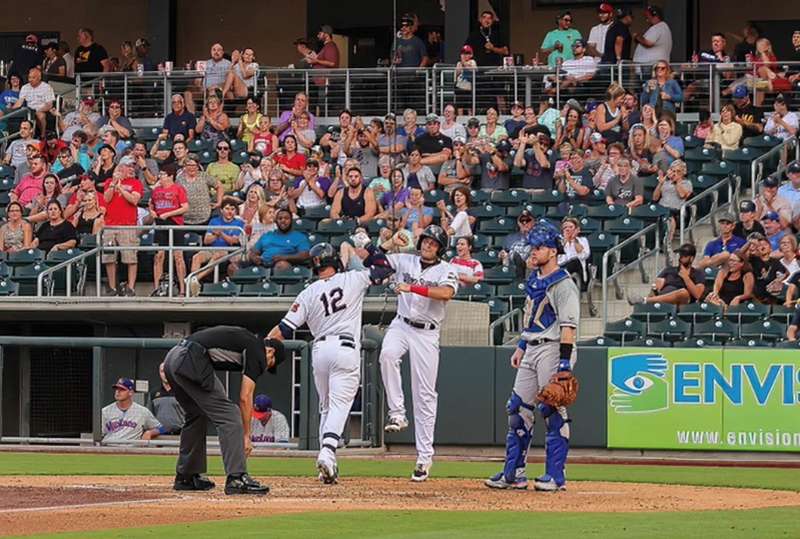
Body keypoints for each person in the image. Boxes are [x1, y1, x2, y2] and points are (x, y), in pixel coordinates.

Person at [267, 243, 394, 482]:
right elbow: (384, 269)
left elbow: (283, 329)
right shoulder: (352, 279)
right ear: (335, 261)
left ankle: (327, 463)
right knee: (339, 405)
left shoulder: (308, 292)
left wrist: (264, 344)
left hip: (320, 350)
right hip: (345, 348)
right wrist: (370, 246)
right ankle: (327, 452)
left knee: (326, 406)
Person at [485, 220, 578, 491]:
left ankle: (556, 476)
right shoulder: (535, 280)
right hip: (532, 346)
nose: (533, 252)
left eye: (539, 247)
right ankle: (514, 473)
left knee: (550, 407)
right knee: (517, 408)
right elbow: (531, 318)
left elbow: (568, 327)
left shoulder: (564, 284)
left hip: (553, 346)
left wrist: (564, 363)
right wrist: (522, 346)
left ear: (553, 250)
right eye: (533, 247)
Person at [366, 225, 457, 482]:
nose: (428, 245)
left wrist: (411, 288)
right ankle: (397, 413)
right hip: (401, 323)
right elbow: (372, 261)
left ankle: (424, 457)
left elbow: (446, 293)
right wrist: (387, 243)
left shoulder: (446, 269)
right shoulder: (405, 259)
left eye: (433, 243)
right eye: (426, 241)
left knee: (425, 395)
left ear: (440, 247)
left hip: (427, 332)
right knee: (387, 355)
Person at [161, 326, 280, 494]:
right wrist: (246, 435)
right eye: (271, 364)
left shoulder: (246, 339)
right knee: (230, 415)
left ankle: (186, 476)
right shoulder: (258, 350)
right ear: (271, 352)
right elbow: (245, 397)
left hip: (173, 356)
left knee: (196, 413)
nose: (266, 367)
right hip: (190, 359)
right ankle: (237, 478)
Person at [102, 157, 144, 296]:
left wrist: (121, 189)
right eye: (129, 166)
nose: (132, 169)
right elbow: (106, 199)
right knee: (109, 258)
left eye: (133, 167)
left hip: (128, 225)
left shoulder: (136, 183)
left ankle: (131, 287)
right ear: (121, 168)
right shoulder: (109, 182)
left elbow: (134, 200)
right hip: (110, 225)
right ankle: (112, 288)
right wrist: (114, 184)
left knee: (130, 258)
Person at [188, 198, 245, 294]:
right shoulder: (214, 221)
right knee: (196, 257)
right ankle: (194, 283)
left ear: (235, 211)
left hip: (228, 251)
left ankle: (195, 278)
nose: (229, 211)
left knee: (218, 255)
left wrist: (221, 234)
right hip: (212, 248)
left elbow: (233, 241)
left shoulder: (239, 223)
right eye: (227, 209)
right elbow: (206, 240)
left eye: (232, 209)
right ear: (221, 210)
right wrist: (216, 235)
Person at [149, 164, 189, 296]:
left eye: (163, 174)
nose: (160, 177)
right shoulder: (156, 190)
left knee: (178, 256)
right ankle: (157, 288)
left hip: (175, 224)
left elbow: (184, 207)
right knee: (159, 256)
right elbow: (151, 204)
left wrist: (169, 214)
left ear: (170, 176)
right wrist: (152, 212)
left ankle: (183, 289)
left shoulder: (178, 189)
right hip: (160, 223)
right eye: (160, 174)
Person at [628, 243, 705, 306]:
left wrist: (686, 277)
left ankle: (645, 300)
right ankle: (648, 301)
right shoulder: (669, 270)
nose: (681, 258)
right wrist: (655, 289)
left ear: (691, 258)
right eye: (680, 255)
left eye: (684, 256)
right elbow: (656, 288)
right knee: (655, 290)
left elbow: (697, 294)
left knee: (683, 292)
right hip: (663, 297)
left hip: (683, 302)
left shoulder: (698, 273)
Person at [244, 208, 310, 271]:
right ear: (276, 221)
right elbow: (253, 252)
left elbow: (304, 255)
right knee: (234, 263)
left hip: (285, 265)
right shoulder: (267, 235)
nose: (283, 220)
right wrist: (254, 258)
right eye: (280, 218)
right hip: (262, 265)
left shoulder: (299, 236)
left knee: (281, 265)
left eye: (286, 218)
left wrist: (284, 257)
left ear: (291, 220)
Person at [102, 378, 163, 444]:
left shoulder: (142, 411)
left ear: (131, 392)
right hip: (109, 448)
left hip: (131, 450)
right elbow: (99, 434)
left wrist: (150, 432)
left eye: (122, 389)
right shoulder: (105, 411)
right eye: (116, 389)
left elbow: (161, 429)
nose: (118, 392)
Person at [5, 67, 55, 139]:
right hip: (28, 110)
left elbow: (49, 105)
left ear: (39, 78)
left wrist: (39, 110)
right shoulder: (25, 87)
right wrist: (11, 110)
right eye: (29, 77)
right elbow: (19, 102)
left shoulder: (46, 87)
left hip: (42, 109)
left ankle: (42, 135)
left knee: (40, 115)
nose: (30, 80)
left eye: (33, 78)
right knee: (15, 113)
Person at [653, 159, 693, 244]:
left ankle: (666, 243)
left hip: (675, 209)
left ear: (683, 172)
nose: (675, 173)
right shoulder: (666, 182)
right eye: (673, 170)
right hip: (661, 207)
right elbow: (655, 198)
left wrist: (677, 182)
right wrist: (660, 183)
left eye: (678, 171)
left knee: (669, 217)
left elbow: (682, 195)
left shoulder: (686, 183)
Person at [150, 364, 185, 435]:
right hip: (159, 435)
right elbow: (149, 415)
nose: (165, 374)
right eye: (162, 371)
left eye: (167, 371)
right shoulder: (154, 393)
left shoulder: (183, 392)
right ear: (159, 373)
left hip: (180, 435)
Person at [558, 217, 590, 290]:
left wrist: (573, 240)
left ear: (577, 229)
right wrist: (565, 241)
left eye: (571, 227)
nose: (567, 229)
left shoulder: (582, 240)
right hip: (561, 268)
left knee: (574, 261)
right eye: (565, 227)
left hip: (578, 272)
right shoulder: (559, 241)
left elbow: (584, 256)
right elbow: (556, 258)